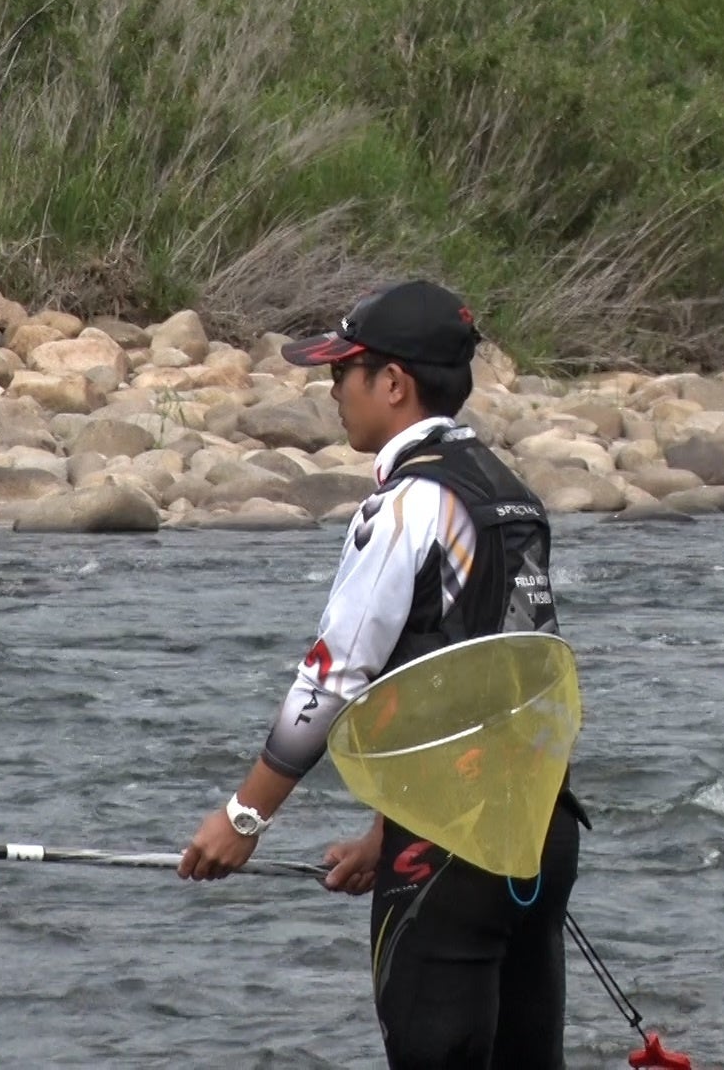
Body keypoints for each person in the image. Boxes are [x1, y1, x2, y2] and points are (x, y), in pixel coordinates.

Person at [177, 279, 585, 1069]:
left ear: (392, 383)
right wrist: (384, 827)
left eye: (343, 370)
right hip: (539, 829)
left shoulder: (405, 505)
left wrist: (243, 819)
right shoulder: (511, 494)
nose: (332, 388)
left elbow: (332, 681)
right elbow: (499, 685)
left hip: (451, 850)